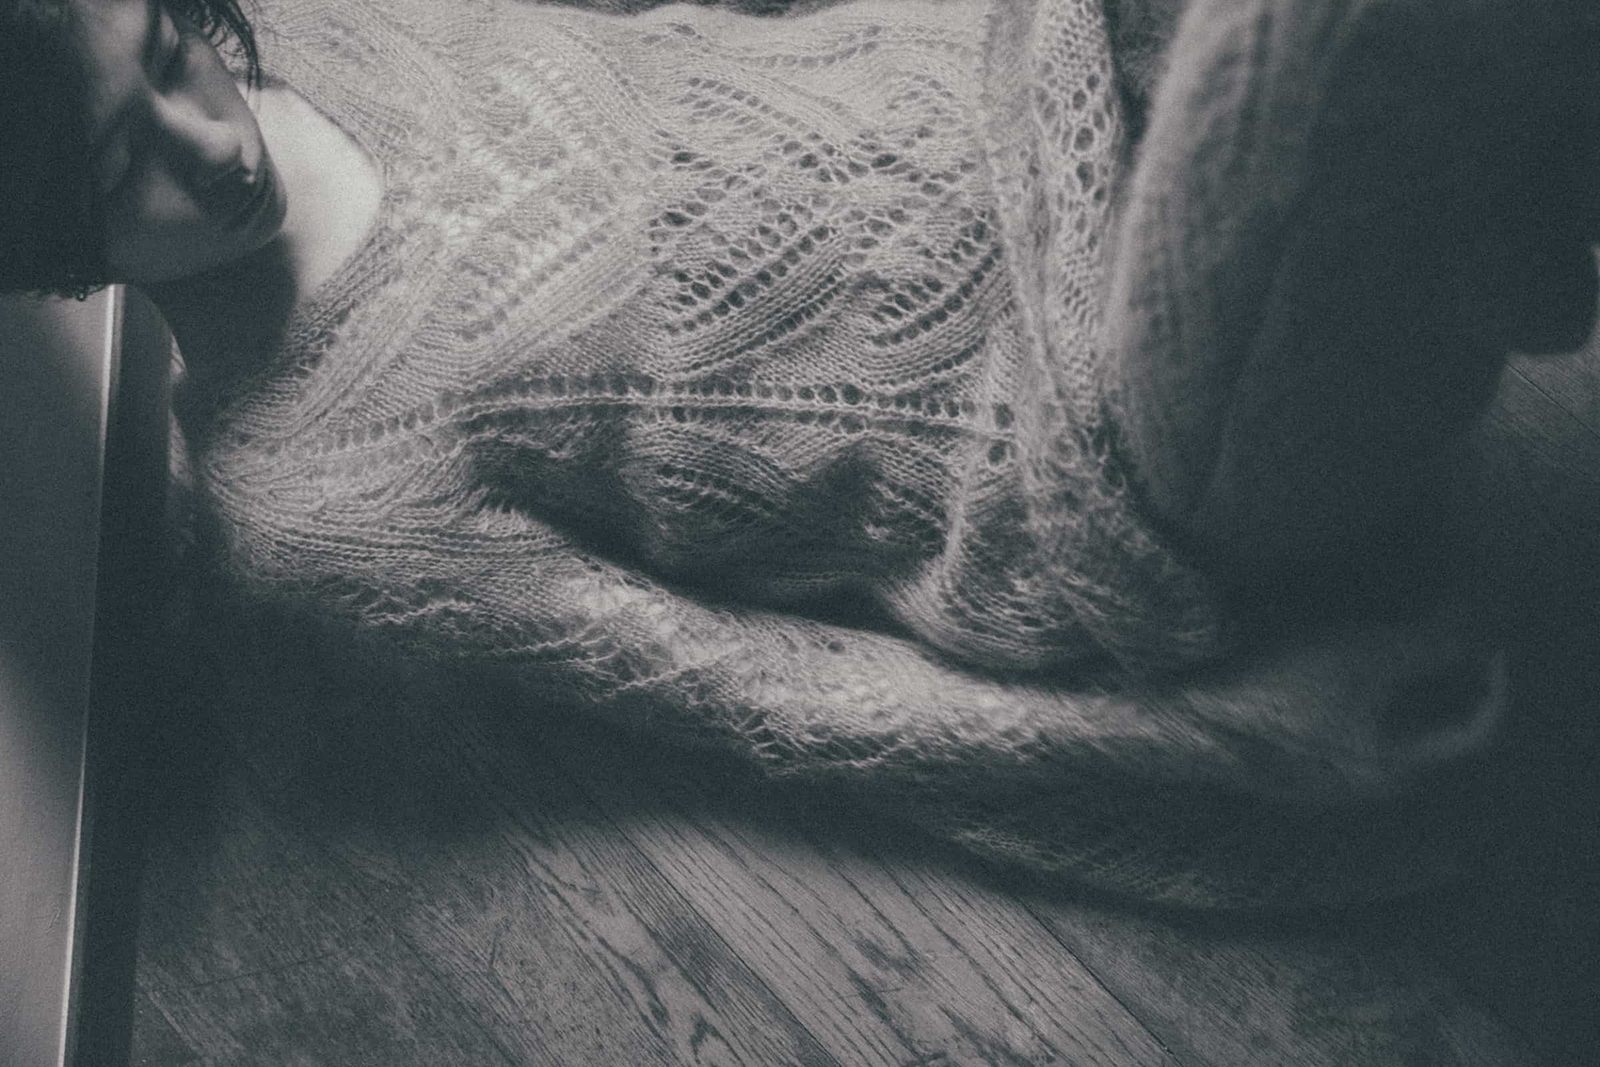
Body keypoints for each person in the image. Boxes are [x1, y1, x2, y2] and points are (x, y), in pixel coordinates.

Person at [3, 0, 1594, 909]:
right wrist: (1231, 738)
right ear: (66, 248)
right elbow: (762, 696)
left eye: (168, 50)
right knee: (1323, 54)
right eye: (126, 163)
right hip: (1082, 460)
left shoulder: (339, 31)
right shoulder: (307, 496)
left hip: (1046, 71)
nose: (210, 139)